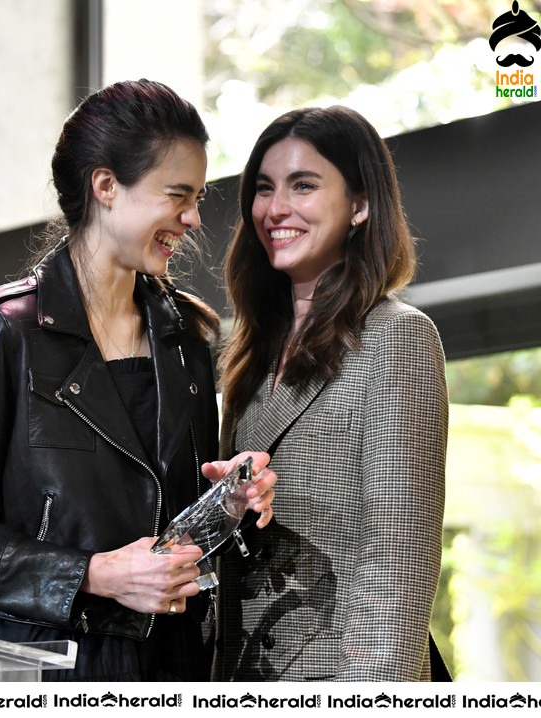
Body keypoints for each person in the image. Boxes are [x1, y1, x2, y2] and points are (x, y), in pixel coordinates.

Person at [0, 79, 277, 682]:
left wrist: (229, 501)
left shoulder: (188, 337)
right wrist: (95, 574)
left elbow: (174, 531)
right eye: (177, 195)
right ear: (106, 187)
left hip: (176, 666)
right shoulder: (4, 331)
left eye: (198, 197)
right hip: (50, 671)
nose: (192, 218)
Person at [214, 105, 448, 681]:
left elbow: (399, 560)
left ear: (361, 206)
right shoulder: (249, 351)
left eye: (304, 185)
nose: (275, 209)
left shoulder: (398, 337)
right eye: (264, 189)